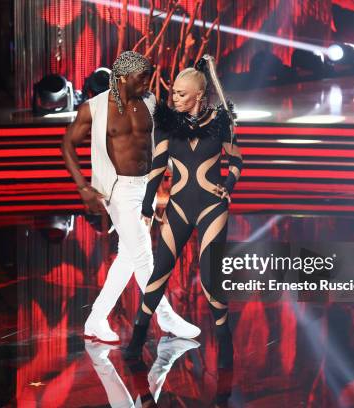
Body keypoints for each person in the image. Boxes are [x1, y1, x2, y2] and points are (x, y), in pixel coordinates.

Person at [61, 51, 200, 343]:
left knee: (127, 257)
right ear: (123, 77)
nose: (146, 83)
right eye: (141, 78)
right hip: (117, 189)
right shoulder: (95, 108)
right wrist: (83, 187)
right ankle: (164, 315)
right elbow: (67, 144)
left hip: (145, 187)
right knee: (142, 255)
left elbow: (164, 139)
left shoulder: (148, 102)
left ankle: (96, 319)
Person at [123, 55, 243, 368]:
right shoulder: (166, 126)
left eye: (180, 93)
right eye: (173, 92)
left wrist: (228, 184)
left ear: (200, 96)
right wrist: (148, 203)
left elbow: (237, 160)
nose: (173, 97)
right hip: (177, 207)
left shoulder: (221, 123)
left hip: (211, 208)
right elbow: (157, 166)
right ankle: (137, 338)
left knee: (209, 280)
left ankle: (224, 339)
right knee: (159, 273)